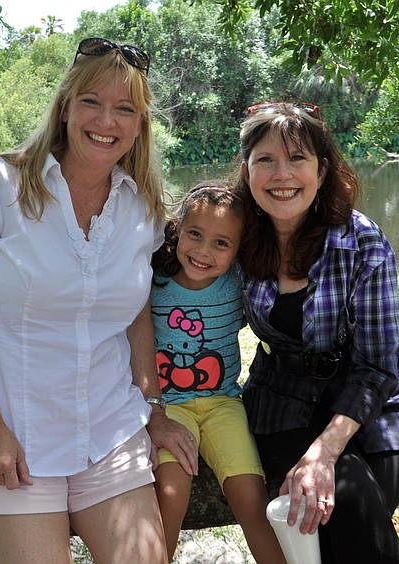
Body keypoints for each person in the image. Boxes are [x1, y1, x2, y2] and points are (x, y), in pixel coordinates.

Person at [0, 38, 198, 563]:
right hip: (12, 436)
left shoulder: (141, 206)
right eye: (92, 101)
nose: (107, 120)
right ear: (66, 106)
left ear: (140, 124)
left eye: (126, 108)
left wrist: (154, 408)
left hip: (109, 430)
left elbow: (135, 311)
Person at [234, 101, 399, 563]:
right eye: (266, 160)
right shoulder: (234, 236)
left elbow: (378, 365)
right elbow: (177, 278)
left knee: (349, 514)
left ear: (322, 171)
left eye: (297, 158)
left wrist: (324, 453)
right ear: (246, 171)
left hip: (373, 402)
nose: (282, 175)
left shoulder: (362, 241)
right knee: (330, 517)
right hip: (283, 399)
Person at [150, 182, 287, 563]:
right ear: (178, 231)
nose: (203, 251)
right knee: (171, 495)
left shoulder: (239, 284)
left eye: (221, 243)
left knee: (251, 499)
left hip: (224, 403)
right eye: (195, 234)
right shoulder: (152, 282)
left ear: (238, 251)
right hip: (168, 406)